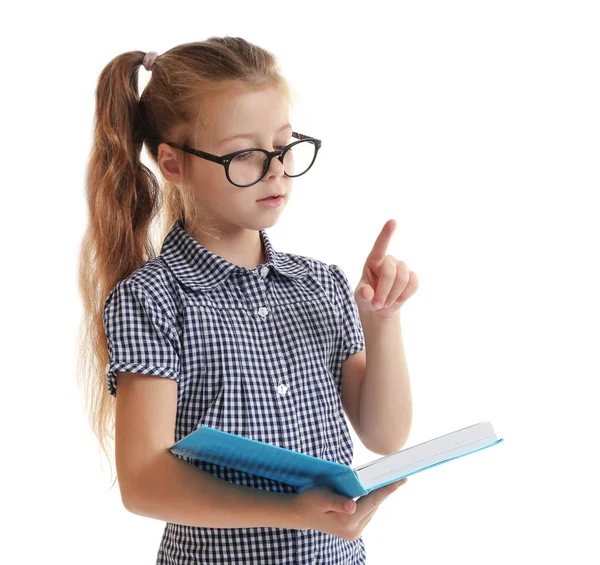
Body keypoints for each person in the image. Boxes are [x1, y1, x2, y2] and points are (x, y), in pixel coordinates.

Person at [77, 36, 410, 565]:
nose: (275, 169)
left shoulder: (321, 285)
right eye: (244, 155)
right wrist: (292, 511)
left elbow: (385, 434)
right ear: (173, 164)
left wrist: (381, 319)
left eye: (283, 146)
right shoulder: (152, 299)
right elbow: (142, 482)